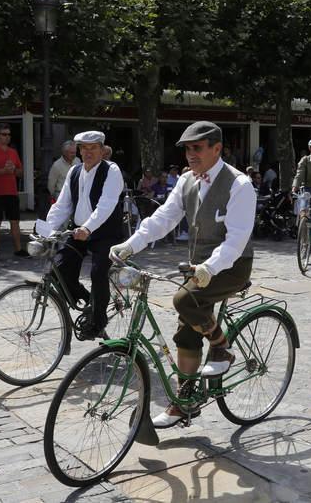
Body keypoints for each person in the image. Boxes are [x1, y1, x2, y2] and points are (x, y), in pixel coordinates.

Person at [109, 121, 255, 428]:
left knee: (184, 300)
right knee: (186, 330)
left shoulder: (239, 185)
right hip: (198, 266)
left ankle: (222, 347)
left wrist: (209, 268)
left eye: (197, 148)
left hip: (231, 266)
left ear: (217, 149)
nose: (191, 154)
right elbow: (164, 218)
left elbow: (237, 239)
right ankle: (184, 403)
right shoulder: (187, 180)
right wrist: (130, 245)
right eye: (187, 149)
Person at [44, 130, 124, 339]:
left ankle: (97, 323)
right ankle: (90, 301)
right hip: (78, 230)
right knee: (58, 269)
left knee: (98, 273)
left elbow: (106, 205)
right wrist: (47, 229)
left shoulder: (111, 171)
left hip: (105, 233)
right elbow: (63, 204)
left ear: (102, 150)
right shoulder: (75, 171)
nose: (88, 152)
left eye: (93, 148)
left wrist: (88, 228)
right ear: (79, 150)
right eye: (84, 148)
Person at [0, 123, 28, 261]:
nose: (6, 137)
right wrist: (2, 171)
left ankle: (18, 249)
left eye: (8, 134)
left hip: (11, 192)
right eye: (3, 134)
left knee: (15, 221)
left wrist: (14, 169)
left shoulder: (13, 152)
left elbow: (21, 173)